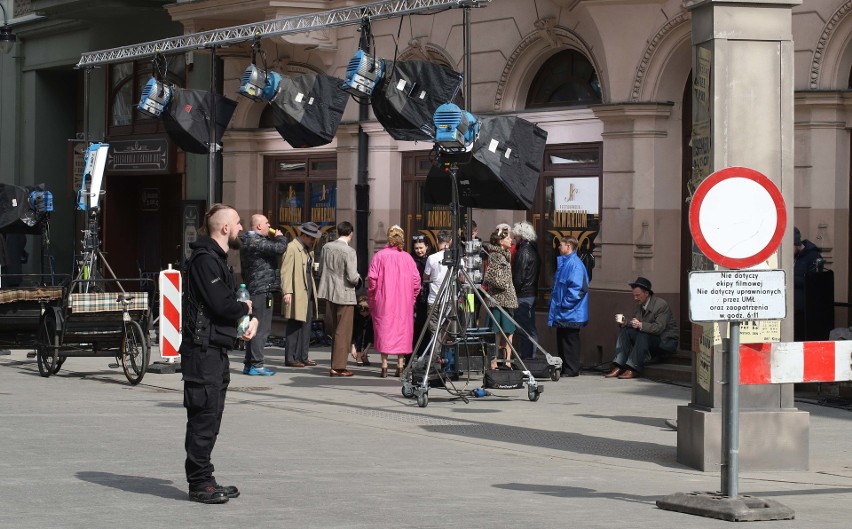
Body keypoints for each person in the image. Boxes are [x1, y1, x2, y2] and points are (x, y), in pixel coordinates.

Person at [180, 203, 258, 504]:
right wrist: (244, 309)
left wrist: (244, 322)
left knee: (212, 418)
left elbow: (224, 307)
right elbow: (222, 305)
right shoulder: (205, 260)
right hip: (203, 352)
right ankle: (199, 483)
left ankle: (206, 477)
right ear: (225, 228)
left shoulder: (216, 259)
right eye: (238, 223)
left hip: (215, 349)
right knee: (203, 417)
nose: (241, 228)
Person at [368, 225, 421, 377]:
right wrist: (412, 297)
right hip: (404, 302)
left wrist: (373, 296)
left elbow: (372, 279)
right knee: (402, 331)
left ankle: (384, 366)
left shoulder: (380, 256)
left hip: (384, 301)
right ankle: (400, 365)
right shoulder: (408, 258)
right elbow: (416, 281)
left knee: (384, 330)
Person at [238, 214, 287, 376]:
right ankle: (257, 364)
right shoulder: (256, 241)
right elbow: (279, 249)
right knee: (261, 328)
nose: (269, 226)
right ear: (258, 226)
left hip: (256, 288)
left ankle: (249, 363)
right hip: (261, 289)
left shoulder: (249, 241)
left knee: (252, 327)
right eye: (267, 223)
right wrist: (280, 237)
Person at [605, 276, 679, 379]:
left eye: (638, 295)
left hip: (666, 342)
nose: (635, 298)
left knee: (643, 333)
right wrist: (625, 322)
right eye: (634, 295)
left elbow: (659, 328)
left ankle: (634, 368)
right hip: (650, 339)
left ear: (647, 293)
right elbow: (637, 324)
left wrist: (641, 325)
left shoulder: (661, 305)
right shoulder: (639, 305)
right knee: (625, 330)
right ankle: (619, 365)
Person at [317, 221, 360, 377]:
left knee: (335, 329)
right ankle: (338, 366)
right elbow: (352, 277)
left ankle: (335, 363)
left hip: (329, 292)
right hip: (345, 293)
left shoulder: (326, 247)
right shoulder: (349, 251)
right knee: (344, 331)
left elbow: (321, 269)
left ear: (337, 232)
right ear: (350, 233)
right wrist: (359, 279)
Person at [280, 222, 321, 368]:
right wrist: (287, 292)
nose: (313, 241)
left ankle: (303, 356)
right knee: (294, 324)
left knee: (306, 324)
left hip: (308, 290)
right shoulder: (292, 248)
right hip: (296, 290)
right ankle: (291, 358)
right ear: (303, 235)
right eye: (311, 238)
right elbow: (285, 272)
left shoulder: (308, 249)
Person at [547, 236, 589, 377]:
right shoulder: (566, 263)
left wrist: (564, 304)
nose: (559, 247)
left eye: (561, 245)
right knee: (563, 340)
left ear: (569, 246)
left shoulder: (574, 264)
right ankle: (567, 368)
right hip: (565, 311)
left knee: (570, 341)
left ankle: (571, 369)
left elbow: (578, 290)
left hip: (571, 312)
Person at [482, 226, 518, 369]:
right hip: (498, 299)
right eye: (508, 238)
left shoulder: (505, 254)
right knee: (496, 332)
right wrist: (505, 285)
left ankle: (508, 360)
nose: (511, 240)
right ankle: (494, 361)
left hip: (507, 299)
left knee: (509, 331)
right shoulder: (496, 255)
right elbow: (491, 277)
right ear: (501, 241)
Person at [512, 221, 540, 359]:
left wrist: (513, 292)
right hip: (531, 292)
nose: (514, 239)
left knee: (524, 328)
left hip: (524, 294)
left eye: (516, 237)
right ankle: (531, 356)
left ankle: (528, 358)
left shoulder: (524, 251)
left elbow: (519, 275)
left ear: (521, 236)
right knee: (530, 327)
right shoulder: (533, 248)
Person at [793, 226, 824, 341]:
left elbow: (813, 281)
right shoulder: (795, 256)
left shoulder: (812, 256)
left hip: (804, 310)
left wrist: (789, 280)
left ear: (796, 243)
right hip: (794, 309)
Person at [423, 230, 453, 334]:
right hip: (449, 300)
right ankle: (444, 350)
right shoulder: (456, 258)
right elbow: (462, 278)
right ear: (450, 241)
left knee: (434, 331)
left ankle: (436, 351)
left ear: (436, 241)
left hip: (433, 300)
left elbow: (425, 277)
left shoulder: (431, 258)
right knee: (447, 332)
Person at [410, 233, 431, 353]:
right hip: (415, 297)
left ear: (427, 246)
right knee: (416, 326)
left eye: (421, 248)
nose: (418, 251)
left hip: (428, 295)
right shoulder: (411, 259)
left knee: (426, 326)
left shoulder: (431, 259)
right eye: (416, 248)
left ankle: (424, 353)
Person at [351, 294, 374, 366]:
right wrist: (353, 347)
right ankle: (358, 355)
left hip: (369, 319)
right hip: (358, 319)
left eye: (366, 313)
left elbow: (372, 335)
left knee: (369, 332)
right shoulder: (356, 315)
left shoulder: (370, 316)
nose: (364, 315)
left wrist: (366, 349)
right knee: (358, 332)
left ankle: (365, 354)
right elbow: (353, 333)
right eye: (362, 313)